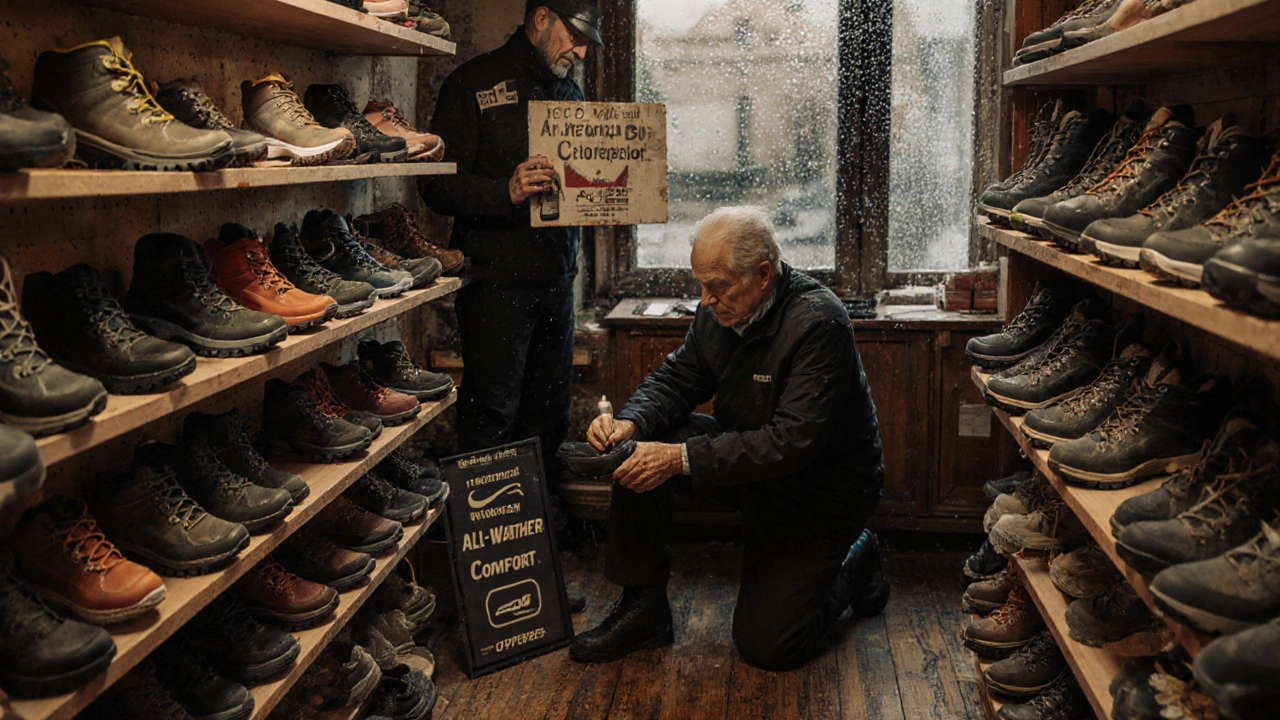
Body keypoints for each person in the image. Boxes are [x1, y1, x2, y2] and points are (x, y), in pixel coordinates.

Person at [568, 207, 889, 671]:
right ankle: (643, 611)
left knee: (769, 648)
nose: (704, 299)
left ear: (763, 274)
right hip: (751, 464)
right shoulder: (717, 311)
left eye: (716, 285)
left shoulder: (820, 323)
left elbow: (791, 441)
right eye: (700, 284)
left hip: (822, 491)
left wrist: (678, 459)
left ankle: (856, 556)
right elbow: (678, 378)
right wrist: (630, 424)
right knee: (637, 454)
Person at [418, 1, 601, 507]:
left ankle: (539, 562)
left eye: (588, 42)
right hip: (495, 286)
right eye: (575, 36)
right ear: (541, 19)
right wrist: (506, 191)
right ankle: (485, 567)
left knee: (549, 419)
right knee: (491, 418)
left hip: (557, 283)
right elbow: (434, 187)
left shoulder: (570, 92)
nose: (581, 52)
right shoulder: (471, 84)